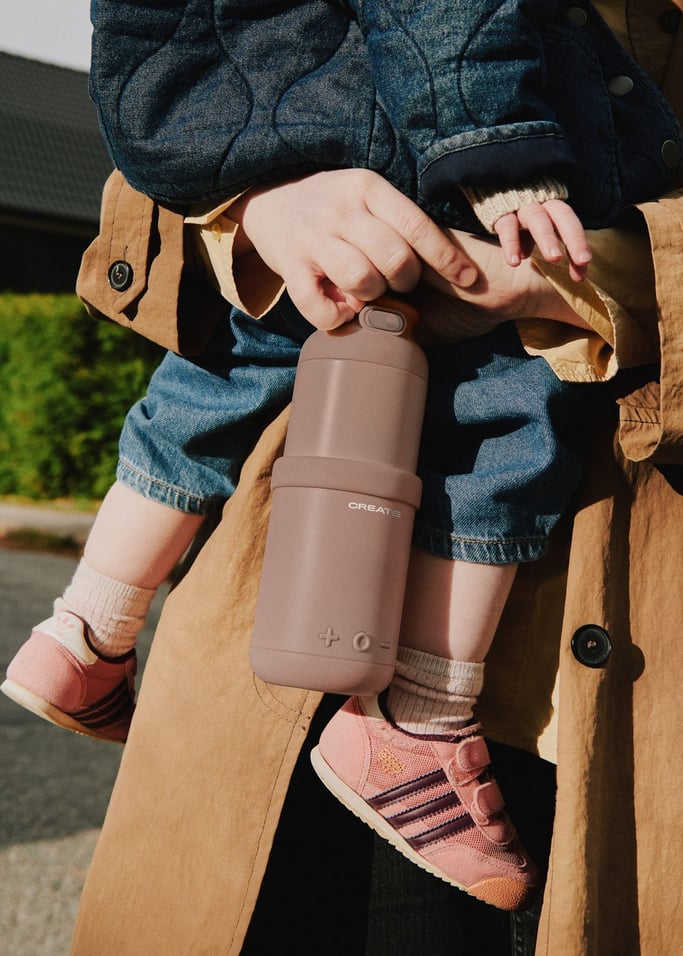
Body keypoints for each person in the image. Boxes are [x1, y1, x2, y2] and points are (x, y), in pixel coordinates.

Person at [7, 1, 683, 948]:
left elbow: (150, 74)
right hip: (294, 569)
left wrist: (615, 278)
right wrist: (256, 206)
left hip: (578, 611)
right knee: (508, 406)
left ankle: (85, 627)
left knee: (213, 386)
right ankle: (421, 723)